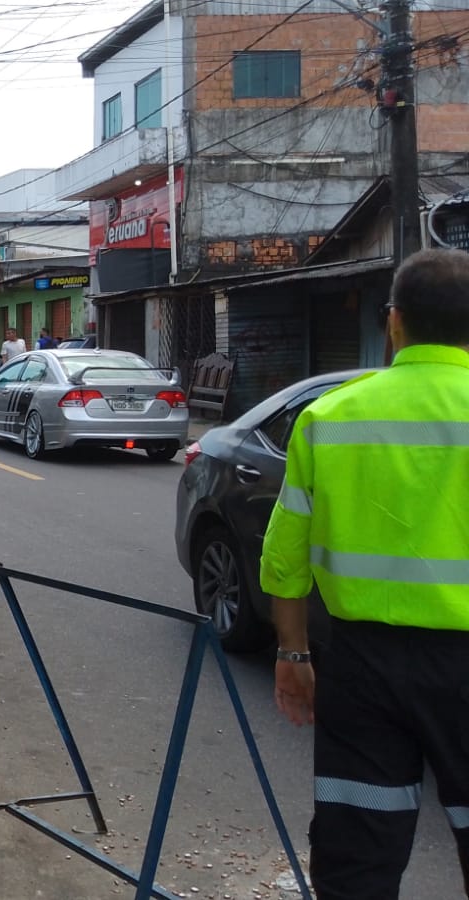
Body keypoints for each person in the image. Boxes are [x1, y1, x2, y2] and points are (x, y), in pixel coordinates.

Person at [261, 248, 469, 899]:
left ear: (394, 323)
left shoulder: (330, 417)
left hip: (362, 668)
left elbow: (283, 556)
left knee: (357, 862)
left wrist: (293, 652)